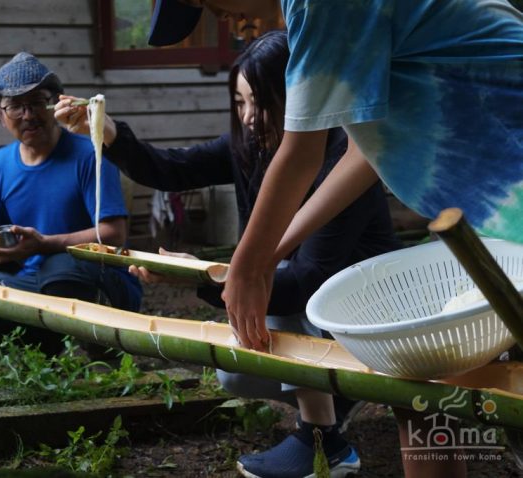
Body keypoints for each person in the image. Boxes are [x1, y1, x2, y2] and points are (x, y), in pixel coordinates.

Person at [150, 1, 523, 476]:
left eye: (207, 3)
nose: (219, 19)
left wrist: (249, 266)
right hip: (492, 224)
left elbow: (301, 151)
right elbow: (364, 154)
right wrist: (270, 253)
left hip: (513, 205)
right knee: (423, 386)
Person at [56, 30, 400, 478]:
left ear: (299, 97)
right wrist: (108, 130)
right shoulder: (251, 147)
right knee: (234, 374)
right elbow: (171, 168)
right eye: (240, 103)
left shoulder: (339, 161)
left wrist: (201, 277)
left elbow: (303, 282)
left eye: (262, 102)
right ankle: (337, 397)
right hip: (315, 308)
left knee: (269, 277)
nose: (251, 118)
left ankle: (324, 441)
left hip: (370, 313)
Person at [0, 52, 142, 351]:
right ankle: (41, 335)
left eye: (37, 102)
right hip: (31, 283)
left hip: (97, 278)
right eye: (15, 106)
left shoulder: (90, 153)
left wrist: (44, 243)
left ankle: (94, 344)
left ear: (56, 103)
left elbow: (112, 233)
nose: (28, 115)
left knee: (61, 271)